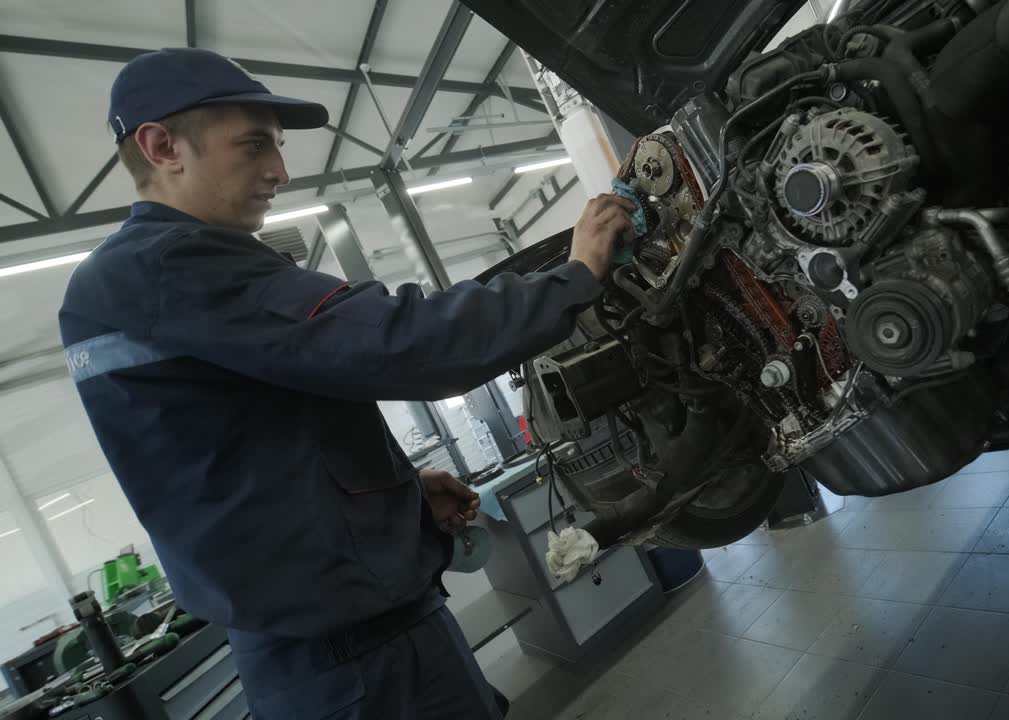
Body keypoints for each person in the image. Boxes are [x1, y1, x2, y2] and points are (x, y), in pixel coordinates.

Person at [58, 47, 635, 719]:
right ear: (162, 147)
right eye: (253, 146)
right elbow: (395, 343)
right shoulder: (166, 268)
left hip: (357, 647)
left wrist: (397, 493)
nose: (279, 169)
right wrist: (574, 275)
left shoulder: (147, 283)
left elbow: (243, 451)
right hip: (351, 671)